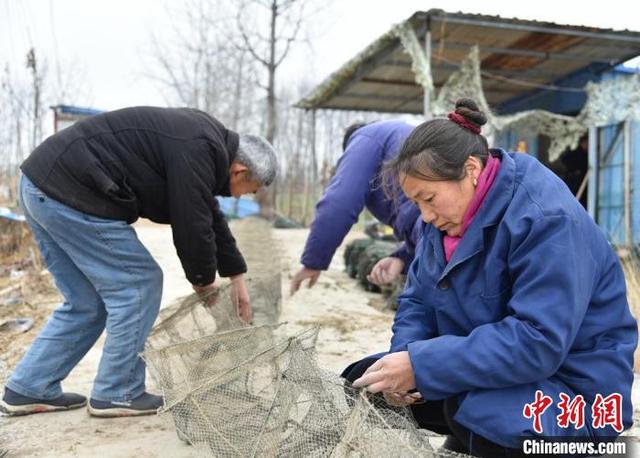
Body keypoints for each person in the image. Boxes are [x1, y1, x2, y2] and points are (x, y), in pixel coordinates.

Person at [343, 99, 637, 456]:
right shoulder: (444, 221)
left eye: (430, 198)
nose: (425, 215)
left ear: (471, 169)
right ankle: (467, 432)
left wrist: (422, 366)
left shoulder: (546, 219)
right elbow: (418, 301)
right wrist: (404, 358)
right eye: (416, 203)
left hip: (573, 391)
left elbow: (537, 341)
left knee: (481, 412)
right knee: (365, 378)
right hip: (498, 373)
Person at [0, 106, 278, 418]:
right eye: (248, 190)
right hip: (70, 192)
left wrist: (236, 275)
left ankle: (29, 387)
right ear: (239, 171)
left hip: (39, 187)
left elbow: (206, 213)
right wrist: (204, 284)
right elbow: (191, 224)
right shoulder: (200, 148)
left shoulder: (204, 143)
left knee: (85, 301)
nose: (241, 197)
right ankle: (118, 392)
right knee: (139, 284)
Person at [290, 120, 421, 295]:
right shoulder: (398, 135)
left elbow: (339, 202)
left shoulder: (366, 137)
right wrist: (403, 258)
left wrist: (313, 261)